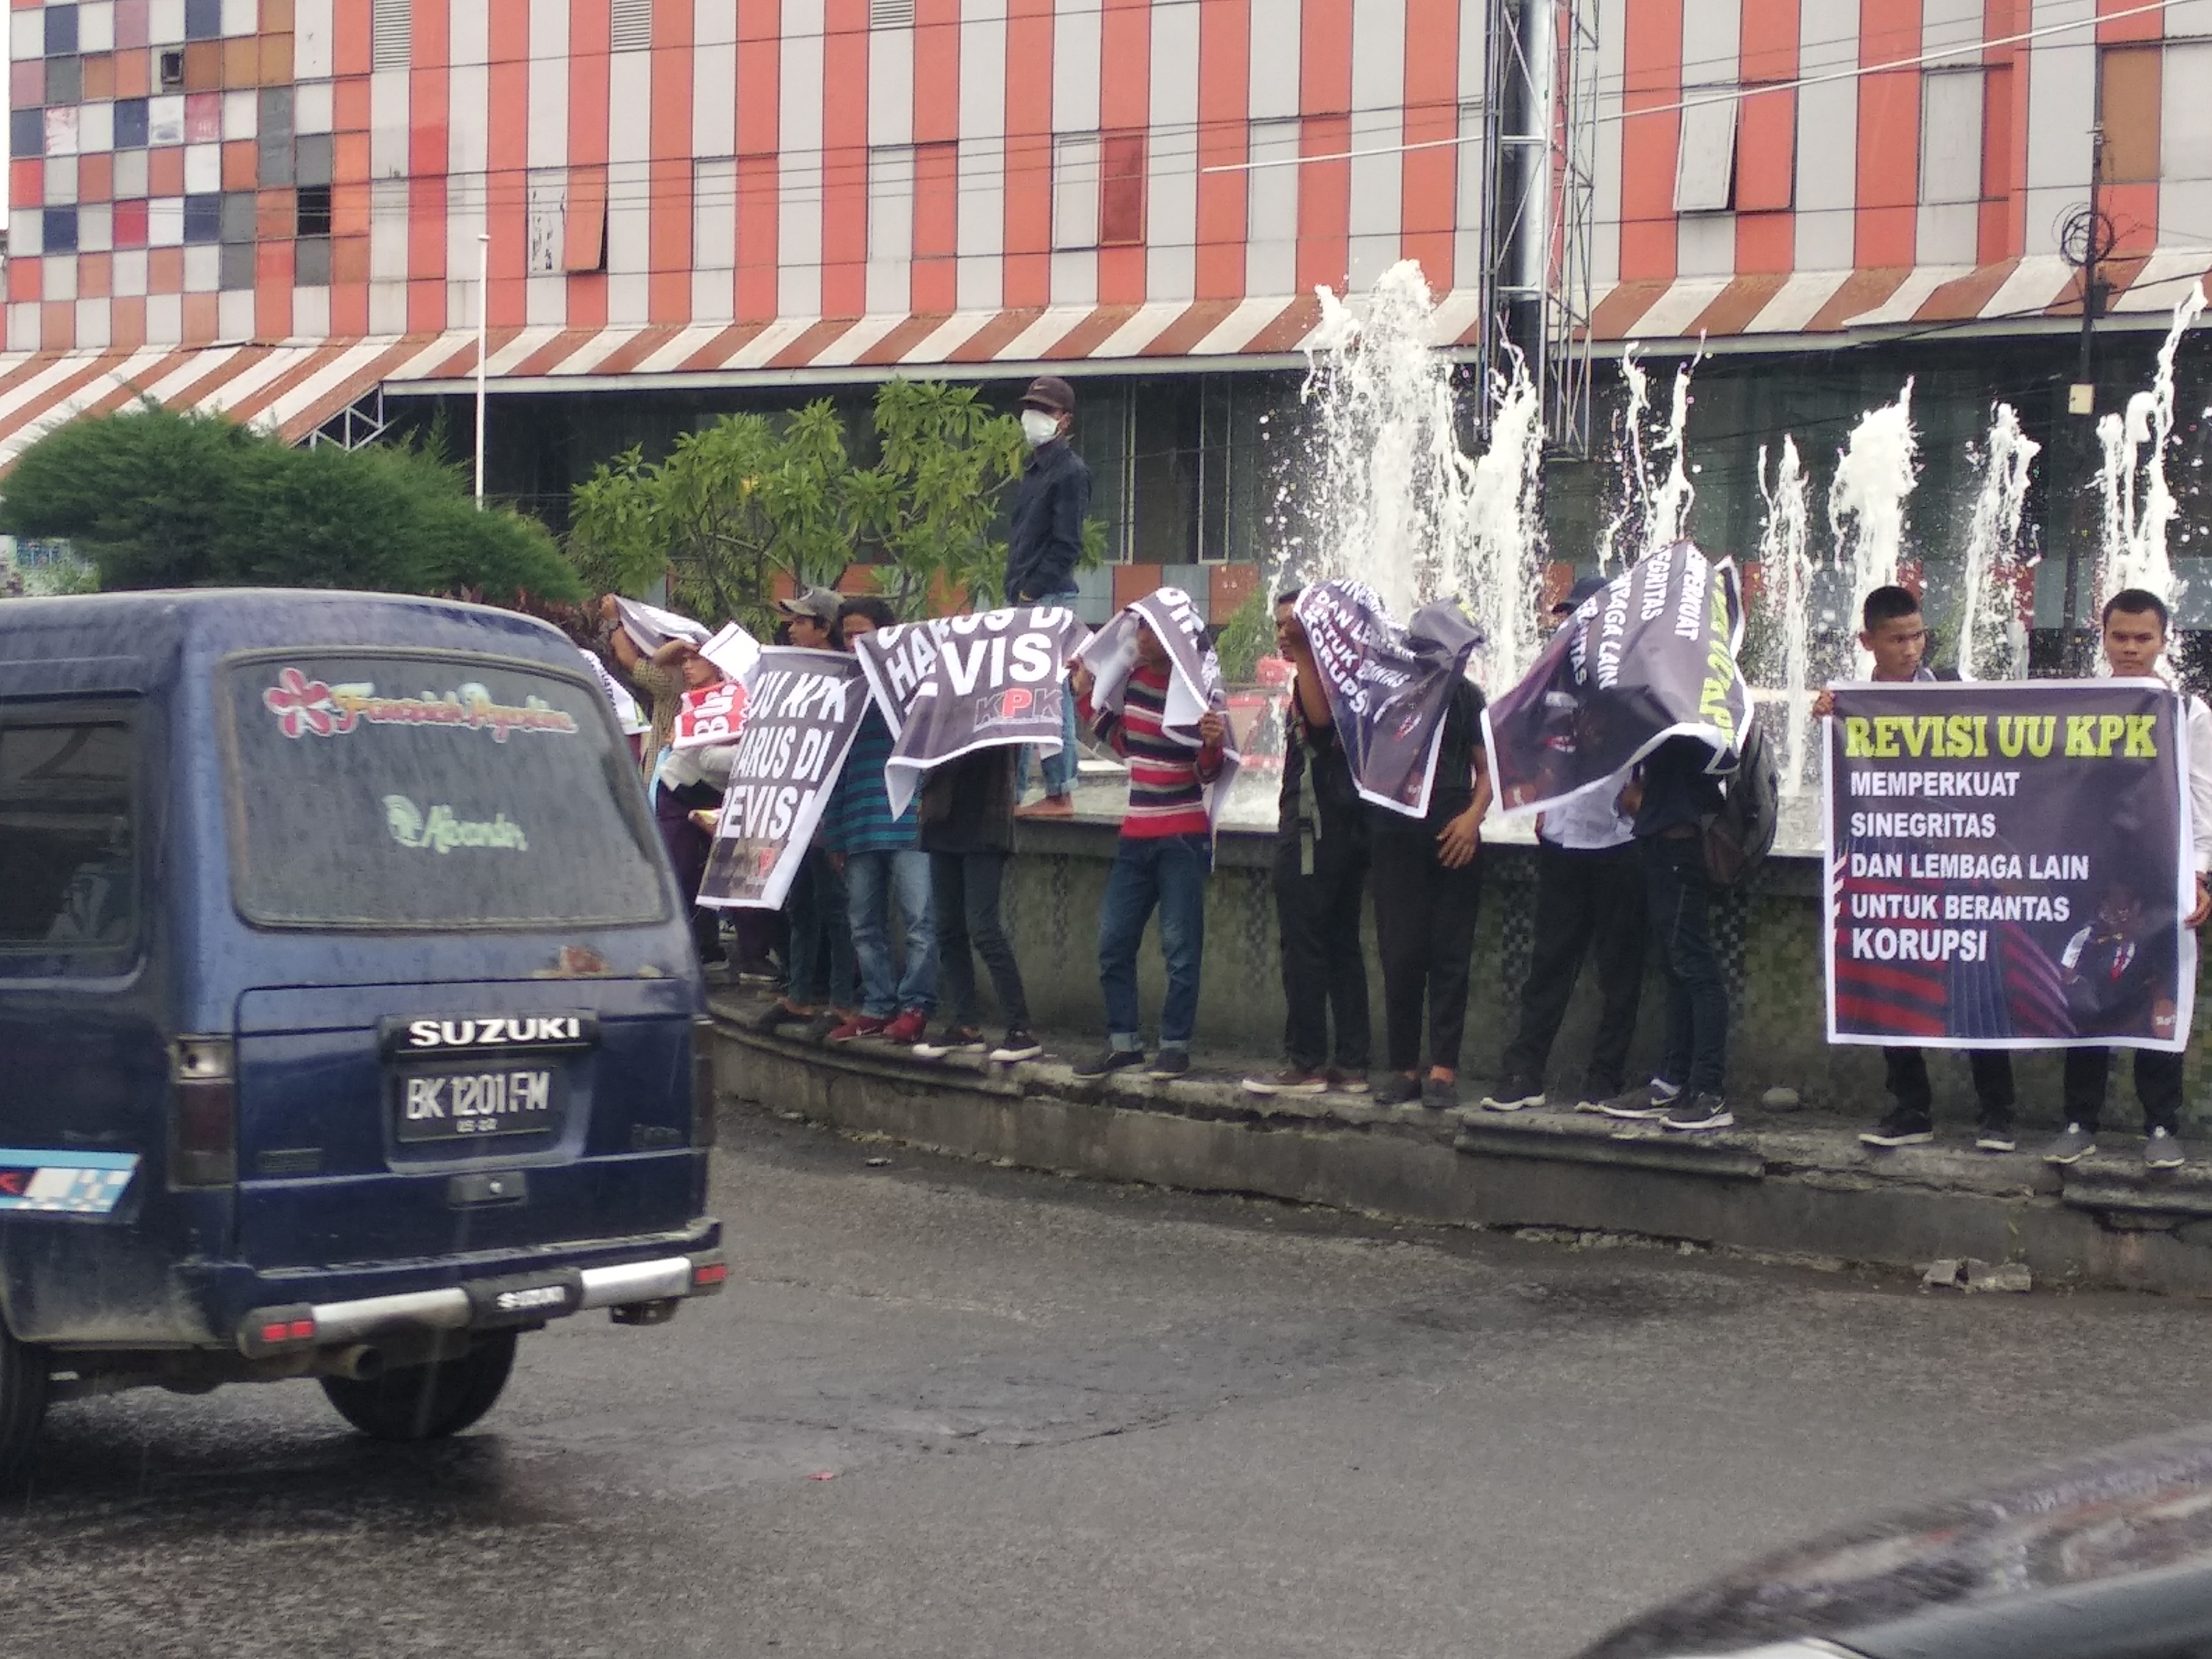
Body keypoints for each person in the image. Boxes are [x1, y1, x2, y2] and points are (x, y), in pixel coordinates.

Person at [1813, 585, 2020, 1150]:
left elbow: (2003, 754)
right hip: (1888, 871)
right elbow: (1844, 782)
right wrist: (1827, 719)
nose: (1911, 649)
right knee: (1890, 976)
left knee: (1975, 982)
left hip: (1956, 867)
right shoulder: (1850, 701)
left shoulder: (1952, 690)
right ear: (1868, 641)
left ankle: (1997, 1114)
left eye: (1918, 636)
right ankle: (1910, 1108)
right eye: (1898, 639)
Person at [2044, 588, 2212, 1170]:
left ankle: (2161, 1125)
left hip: (2158, 884)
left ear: (2165, 641)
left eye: (2144, 638)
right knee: (2084, 998)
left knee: (2156, 998)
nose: (2132, 649)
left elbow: (2201, 803)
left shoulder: (2187, 713)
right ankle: (2077, 1121)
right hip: (2087, 879)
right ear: (2103, 636)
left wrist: (2196, 877)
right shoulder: (2075, 704)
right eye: (2120, 637)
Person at [1483, 576, 1647, 1114]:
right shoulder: (1548, 681)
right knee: (1549, 966)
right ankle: (1524, 1072)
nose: (1571, 627)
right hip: (1560, 843)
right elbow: (1528, 744)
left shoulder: (1632, 683)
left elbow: (1660, 745)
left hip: (1620, 845)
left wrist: (1643, 790)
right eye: (1566, 618)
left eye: (1581, 618)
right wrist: (1535, 805)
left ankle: (1603, 1080)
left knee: (1619, 972)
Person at [1067, 612, 1228, 1079]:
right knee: (1113, 942)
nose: (1136, 637)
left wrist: (1211, 747)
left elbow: (1208, 775)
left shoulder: (1199, 692)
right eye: (1137, 628)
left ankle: (1174, 1047)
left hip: (1181, 835)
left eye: (1146, 630)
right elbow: (1123, 742)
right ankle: (1124, 1044)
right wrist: (1082, 696)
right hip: (1135, 836)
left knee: (1180, 948)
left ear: (1169, 637)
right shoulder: (1134, 682)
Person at [1243, 588, 1370, 1097]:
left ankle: (1307, 1062)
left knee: (1305, 945)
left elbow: (1318, 725)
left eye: (1292, 624)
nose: (1282, 632)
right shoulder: (1358, 678)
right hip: (1348, 828)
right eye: (1279, 625)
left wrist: (1303, 653)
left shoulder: (1319, 677)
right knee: (1341, 944)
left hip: (1313, 832)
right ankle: (1354, 1062)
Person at [1368, 643, 1491, 1109]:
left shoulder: (1467, 697)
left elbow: (1487, 771)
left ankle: (1443, 1068)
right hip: (1395, 832)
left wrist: (1473, 820)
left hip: (1451, 831)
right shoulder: (1390, 694)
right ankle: (1403, 1068)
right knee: (1400, 953)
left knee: (1450, 953)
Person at [1601, 734, 1733, 1133]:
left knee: (1694, 967)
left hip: (1682, 844)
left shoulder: (1693, 703)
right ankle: (1672, 1081)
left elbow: (1723, 762)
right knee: (1676, 966)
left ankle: (1709, 1091)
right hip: (1662, 842)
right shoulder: (1665, 701)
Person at [822, 596, 937, 1046]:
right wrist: (835, 832)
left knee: (921, 921)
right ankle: (876, 1005)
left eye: (862, 633)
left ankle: (916, 1006)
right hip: (858, 823)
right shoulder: (840, 691)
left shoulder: (915, 685)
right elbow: (831, 767)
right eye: (847, 634)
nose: (854, 643)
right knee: (863, 925)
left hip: (909, 822)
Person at [759, 586, 858, 1037]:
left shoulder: (850, 676)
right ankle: (799, 995)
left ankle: (842, 999)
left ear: (824, 627)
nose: (792, 628)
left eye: (801, 621)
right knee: (801, 904)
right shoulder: (792, 672)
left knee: (837, 908)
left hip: (831, 808)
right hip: (794, 806)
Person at [911, 744, 1042, 1064]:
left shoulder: (1001, 702)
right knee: (948, 928)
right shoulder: (943, 697)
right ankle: (965, 1024)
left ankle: (1021, 1028)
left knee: (984, 928)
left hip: (986, 819)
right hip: (943, 817)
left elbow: (1015, 739)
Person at [1004, 375, 1091, 820]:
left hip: (1048, 597)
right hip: (1027, 597)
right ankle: (1014, 791)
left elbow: (1066, 545)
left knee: (1048, 691)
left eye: (1046, 410)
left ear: (1065, 421)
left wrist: (1029, 590)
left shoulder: (1071, 472)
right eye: (1031, 408)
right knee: (1022, 696)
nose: (1034, 417)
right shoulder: (1036, 469)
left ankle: (1061, 790)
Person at [648, 640, 735, 969]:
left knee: (726, 875)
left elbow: (714, 758)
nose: (687, 666)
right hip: (677, 791)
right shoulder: (688, 699)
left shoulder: (739, 697)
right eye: (684, 661)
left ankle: (723, 951)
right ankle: (685, 950)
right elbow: (658, 660)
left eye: (696, 660)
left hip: (720, 793)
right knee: (679, 871)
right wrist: (684, 643)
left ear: (717, 664)